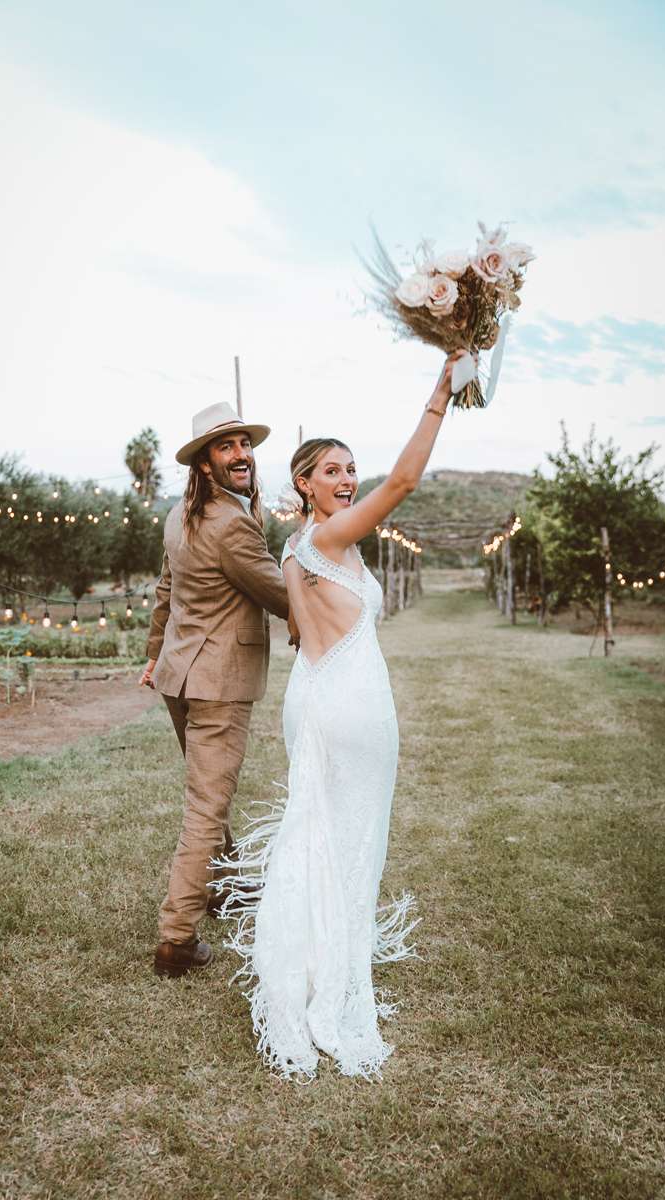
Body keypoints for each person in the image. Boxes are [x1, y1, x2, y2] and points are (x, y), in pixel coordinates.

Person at [212, 351, 465, 1078]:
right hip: (348, 705)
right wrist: (440, 395)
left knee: (317, 835)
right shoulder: (328, 538)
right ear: (304, 482)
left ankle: (312, 958)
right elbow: (406, 481)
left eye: (352, 469)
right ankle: (331, 976)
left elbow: (301, 628)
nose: (349, 479)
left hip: (317, 697)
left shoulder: (298, 548)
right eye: (332, 471)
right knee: (349, 841)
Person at [141, 401, 290, 979]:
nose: (241, 454)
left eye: (245, 444)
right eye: (226, 446)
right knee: (206, 807)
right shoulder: (231, 524)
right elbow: (278, 594)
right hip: (217, 683)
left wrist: (154, 655)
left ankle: (225, 887)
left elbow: (166, 589)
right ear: (204, 464)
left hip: (179, 676)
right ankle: (176, 938)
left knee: (210, 793)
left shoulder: (180, 514)